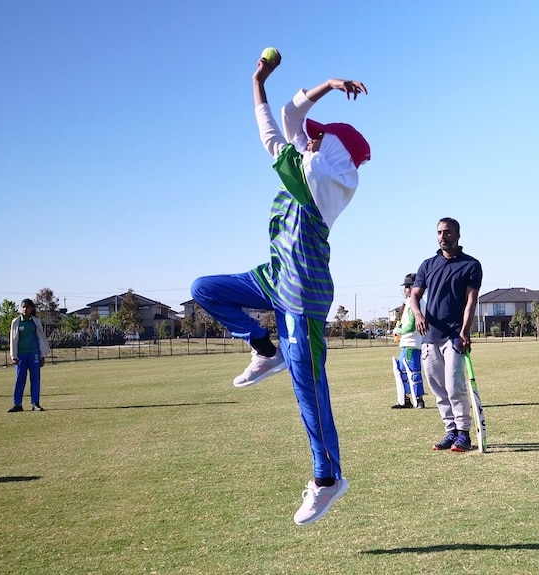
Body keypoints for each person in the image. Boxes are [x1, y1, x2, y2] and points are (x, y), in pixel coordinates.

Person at [190, 49, 370, 525]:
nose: (308, 141)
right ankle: (261, 346)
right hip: (274, 277)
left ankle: (328, 479)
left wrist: (308, 113)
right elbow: (286, 121)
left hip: (302, 295)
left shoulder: (329, 180)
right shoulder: (308, 165)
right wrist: (263, 83)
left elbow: (285, 126)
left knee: (309, 390)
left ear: (334, 151)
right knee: (205, 289)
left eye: (318, 139)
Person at [409, 217, 482, 452]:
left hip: (454, 336)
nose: (443, 236)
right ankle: (450, 432)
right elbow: (414, 296)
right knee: (438, 388)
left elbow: (471, 302)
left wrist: (464, 331)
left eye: (448, 232)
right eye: (439, 232)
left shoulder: (471, 265)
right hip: (430, 336)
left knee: (454, 385)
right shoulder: (428, 265)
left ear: (458, 235)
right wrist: (419, 316)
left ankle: (464, 434)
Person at [8, 299, 51, 412]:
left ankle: (35, 403)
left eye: (27, 307)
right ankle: (17, 404)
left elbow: (40, 339)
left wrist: (42, 356)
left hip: (34, 354)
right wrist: (13, 356)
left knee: (35, 378)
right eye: (23, 307)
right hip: (21, 355)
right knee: (20, 379)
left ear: (32, 308)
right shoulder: (16, 322)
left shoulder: (36, 321)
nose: (25, 309)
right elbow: (12, 340)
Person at [391, 273, 427, 409]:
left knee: (411, 371)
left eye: (408, 286)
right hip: (411, 343)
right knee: (403, 370)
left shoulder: (415, 302)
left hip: (411, 343)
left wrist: (398, 331)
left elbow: (412, 326)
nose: (406, 289)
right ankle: (407, 398)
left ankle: (417, 399)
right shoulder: (415, 302)